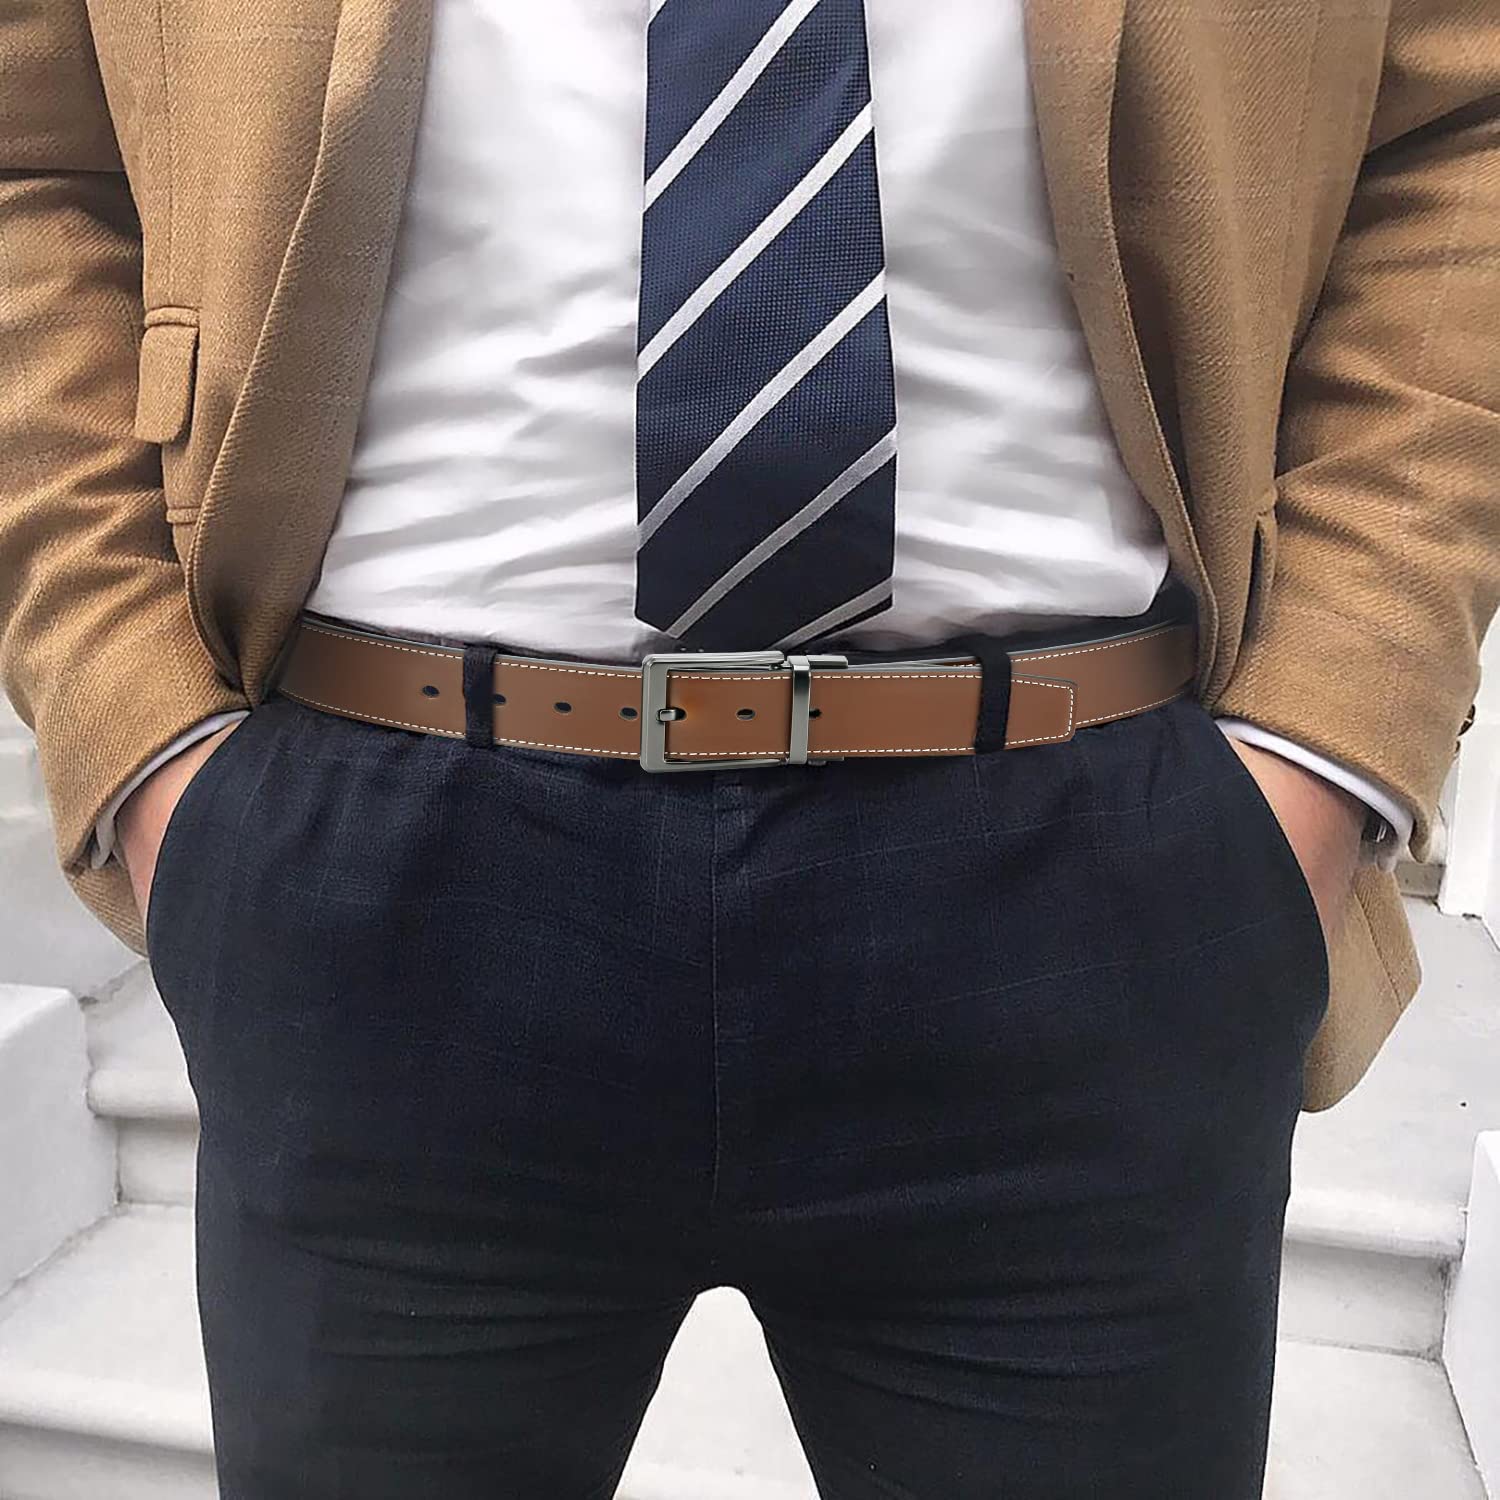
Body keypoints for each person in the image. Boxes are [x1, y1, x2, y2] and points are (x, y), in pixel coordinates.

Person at [1, 1, 1496, 1495]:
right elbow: (31, 165)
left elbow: (1460, 134)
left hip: (1094, 881)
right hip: (378, 880)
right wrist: (140, 734)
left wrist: (1327, 741)